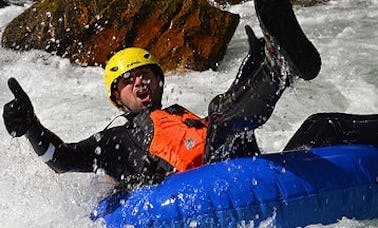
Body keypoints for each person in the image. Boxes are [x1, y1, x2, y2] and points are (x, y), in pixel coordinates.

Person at [3, 0, 324, 192]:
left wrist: (248, 69)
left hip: (232, 160)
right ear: (116, 97)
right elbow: (61, 159)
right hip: (195, 181)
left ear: (159, 83)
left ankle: (272, 62)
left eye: (146, 75)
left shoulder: (179, 114)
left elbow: (229, 119)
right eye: (128, 81)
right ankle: (278, 69)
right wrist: (31, 125)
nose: (139, 82)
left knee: (322, 127)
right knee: (221, 117)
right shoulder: (118, 139)